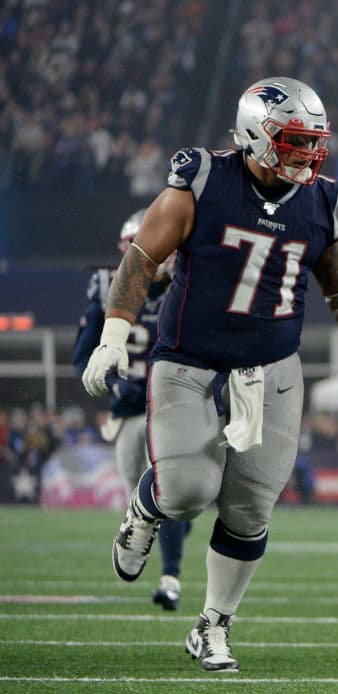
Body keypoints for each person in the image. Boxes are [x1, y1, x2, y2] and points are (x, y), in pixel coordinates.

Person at [80, 76, 338, 672]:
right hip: (189, 357)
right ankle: (146, 507)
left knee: (250, 507)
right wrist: (112, 336)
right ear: (255, 136)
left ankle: (212, 625)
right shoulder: (202, 180)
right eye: (292, 141)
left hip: (271, 365)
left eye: (314, 142)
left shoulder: (323, 200)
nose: (307, 155)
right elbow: (142, 258)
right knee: (186, 491)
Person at [73, 208, 191, 610]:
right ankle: (162, 558)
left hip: (175, 406)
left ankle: (170, 576)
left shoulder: (185, 290)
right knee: (139, 505)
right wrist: (113, 382)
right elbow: (83, 355)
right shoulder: (111, 289)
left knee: (171, 492)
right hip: (128, 411)